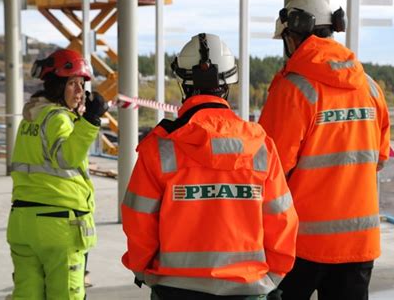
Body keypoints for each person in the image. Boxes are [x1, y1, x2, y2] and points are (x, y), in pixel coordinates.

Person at [121, 33, 299, 300]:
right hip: (247, 287)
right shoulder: (261, 146)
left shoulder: (159, 148)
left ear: (184, 84)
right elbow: (282, 219)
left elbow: (139, 220)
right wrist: (271, 276)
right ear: (228, 84)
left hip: (175, 289)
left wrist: (144, 269)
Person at [258, 0, 390, 300]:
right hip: (359, 243)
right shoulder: (370, 87)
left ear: (292, 36)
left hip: (300, 243)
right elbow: (379, 158)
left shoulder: (293, 89)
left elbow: (269, 169)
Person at [6, 48, 108, 299]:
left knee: (27, 294)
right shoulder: (58, 118)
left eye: (81, 84)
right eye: (71, 83)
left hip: (22, 224)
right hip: (59, 227)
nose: (79, 91)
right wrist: (91, 121)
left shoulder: (29, 120)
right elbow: (66, 158)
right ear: (56, 85)